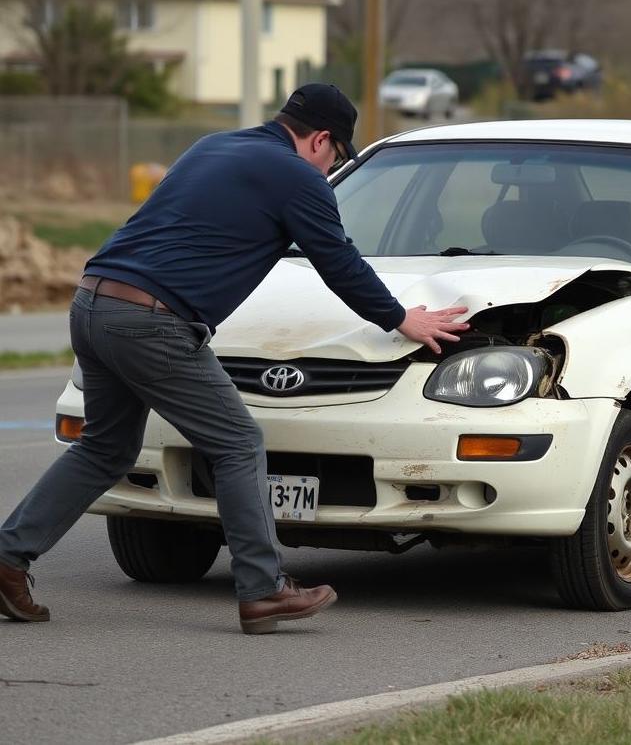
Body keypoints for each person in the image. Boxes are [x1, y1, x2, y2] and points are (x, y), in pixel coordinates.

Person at [0, 83, 469, 635]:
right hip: (152, 321)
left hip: (93, 302)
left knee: (106, 447)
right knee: (237, 442)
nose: (328, 172)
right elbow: (338, 262)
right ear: (322, 140)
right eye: (335, 159)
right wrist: (401, 318)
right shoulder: (297, 177)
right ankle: (264, 589)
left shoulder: (212, 146)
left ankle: (8, 559)